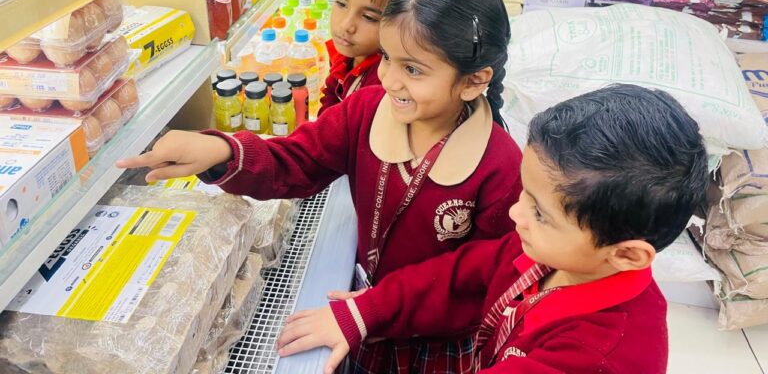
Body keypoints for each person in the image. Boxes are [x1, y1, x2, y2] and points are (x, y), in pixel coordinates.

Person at [117, 0, 523, 374]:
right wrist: (223, 150)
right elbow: (298, 159)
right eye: (386, 57)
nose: (389, 79)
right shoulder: (365, 111)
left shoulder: (500, 167)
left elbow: (475, 278)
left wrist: (372, 309)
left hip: (430, 343)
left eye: (413, 70)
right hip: (361, 318)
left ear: (473, 81)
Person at [276, 84, 709, 374]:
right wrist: (367, 310)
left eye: (540, 213)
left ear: (627, 254)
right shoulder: (549, 256)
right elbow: (461, 273)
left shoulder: (598, 354)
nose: (517, 214)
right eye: (525, 194)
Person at [320, 0, 425, 115]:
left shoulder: (384, 85)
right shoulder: (348, 53)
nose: (347, 25)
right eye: (341, 3)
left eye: (368, 17)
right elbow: (330, 95)